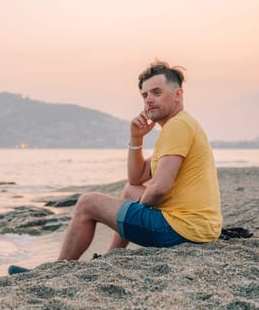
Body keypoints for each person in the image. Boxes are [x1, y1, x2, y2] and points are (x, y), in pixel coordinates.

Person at [57, 59, 223, 261]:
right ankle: (112, 255)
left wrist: (138, 208)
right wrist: (136, 138)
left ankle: (59, 266)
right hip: (200, 228)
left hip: (182, 231)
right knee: (129, 190)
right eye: (145, 95)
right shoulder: (181, 125)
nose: (149, 100)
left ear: (178, 94)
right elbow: (137, 178)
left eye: (156, 92)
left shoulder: (177, 127)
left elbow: (160, 188)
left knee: (87, 203)